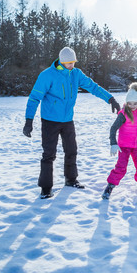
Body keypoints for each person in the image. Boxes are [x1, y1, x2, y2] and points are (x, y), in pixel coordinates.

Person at [23, 47, 121, 199]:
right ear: (61, 62)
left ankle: (71, 179)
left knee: (71, 150)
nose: (71, 65)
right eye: (68, 63)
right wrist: (29, 120)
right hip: (50, 121)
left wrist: (110, 99)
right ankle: (46, 188)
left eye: (73, 62)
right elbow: (35, 98)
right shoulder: (47, 75)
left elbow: (93, 87)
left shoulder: (76, 74)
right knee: (49, 154)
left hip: (67, 120)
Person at [102, 83, 137, 200]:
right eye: (129, 103)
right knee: (121, 168)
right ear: (126, 103)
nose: (132, 106)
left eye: (135, 103)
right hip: (124, 146)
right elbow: (113, 129)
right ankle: (110, 186)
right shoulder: (123, 114)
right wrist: (113, 143)